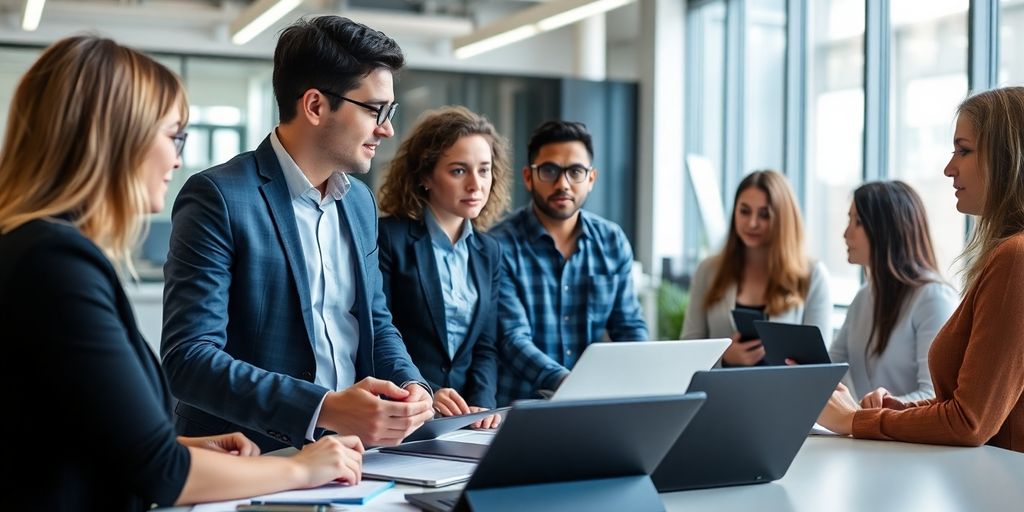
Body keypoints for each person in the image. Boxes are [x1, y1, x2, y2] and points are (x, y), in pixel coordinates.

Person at [0, 35, 363, 511]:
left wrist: (188, 447)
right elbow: (160, 472)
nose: (177, 157)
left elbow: (65, 432)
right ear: (116, 137)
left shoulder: (34, 249)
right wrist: (303, 467)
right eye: (174, 136)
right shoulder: (54, 263)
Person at [161, 16, 433, 452]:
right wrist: (322, 407)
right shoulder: (219, 196)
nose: (387, 128)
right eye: (375, 109)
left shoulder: (359, 202)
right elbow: (190, 359)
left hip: (354, 455)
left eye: (390, 111)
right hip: (245, 457)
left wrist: (410, 385)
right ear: (315, 105)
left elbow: (375, 324)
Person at [818, 86, 1024, 453]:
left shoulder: (1015, 258)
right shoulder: (1007, 256)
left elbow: (969, 422)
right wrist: (904, 410)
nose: (949, 168)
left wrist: (855, 421)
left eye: (964, 150)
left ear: (1006, 158)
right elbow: (970, 408)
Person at [491, 120, 649, 406]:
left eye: (575, 172)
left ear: (591, 179)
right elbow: (512, 339)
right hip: (517, 411)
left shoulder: (611, 241)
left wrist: (643, 373)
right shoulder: (498, 246)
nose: (562, 183)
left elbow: (628, 327)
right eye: (549, 170)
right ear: (528, 177)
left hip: (593, 407)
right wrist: (570, 384)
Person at [376, 106, 511, 428]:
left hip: (468, 419)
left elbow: (486, 345)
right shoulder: (388, 238)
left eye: (484, 170)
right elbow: (377, 334)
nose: (476, 185)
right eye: (458, 171)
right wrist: (426, 391)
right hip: (403, 411)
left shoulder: (488, 251)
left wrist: (483, 404)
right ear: (425, 176)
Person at [682, 170, 832, 366]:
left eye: (764, 215)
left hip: (784, 395)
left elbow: (819, 366)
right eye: (744, 211)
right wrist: (724, 358)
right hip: (721, 394)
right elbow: (688, 347)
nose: (752, 223)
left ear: (782, 220)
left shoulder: (812, 275)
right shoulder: (709, 270)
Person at [829, 181, 958, 403]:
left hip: (910, 437)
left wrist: (872, 413)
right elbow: (829, 370)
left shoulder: (933, 299)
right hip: (870, 433)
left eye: (858, 222)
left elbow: (936, 396)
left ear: (887, 229)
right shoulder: (864, 297)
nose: (846, 233)